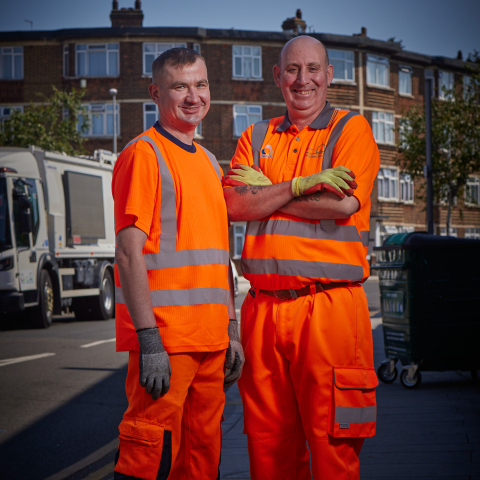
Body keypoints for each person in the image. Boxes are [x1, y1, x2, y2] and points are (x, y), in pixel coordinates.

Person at [223, 36, 380, 480]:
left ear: (329, 75)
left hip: (329, 310)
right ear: (277, 76)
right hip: (264, 311)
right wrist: (303, 186)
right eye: (292, 69)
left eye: (313, 69)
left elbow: (342, 205)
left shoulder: (351, 130)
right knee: (269, 450)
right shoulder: (255, 134)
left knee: (333, 448)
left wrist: (270, 189)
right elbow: (234, 203)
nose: (302, 79)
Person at [112, 47, 244, 480]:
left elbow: (216, 254)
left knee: (202, 455)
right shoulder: (143, 154)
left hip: (210, 342)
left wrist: (231, 329)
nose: (193, 96)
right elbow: (129, 252)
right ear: (155, 92)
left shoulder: (208, 161)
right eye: (180, 86)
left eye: (201, 85)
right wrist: (148, 340)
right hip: (167, 344)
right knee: (148, 450)